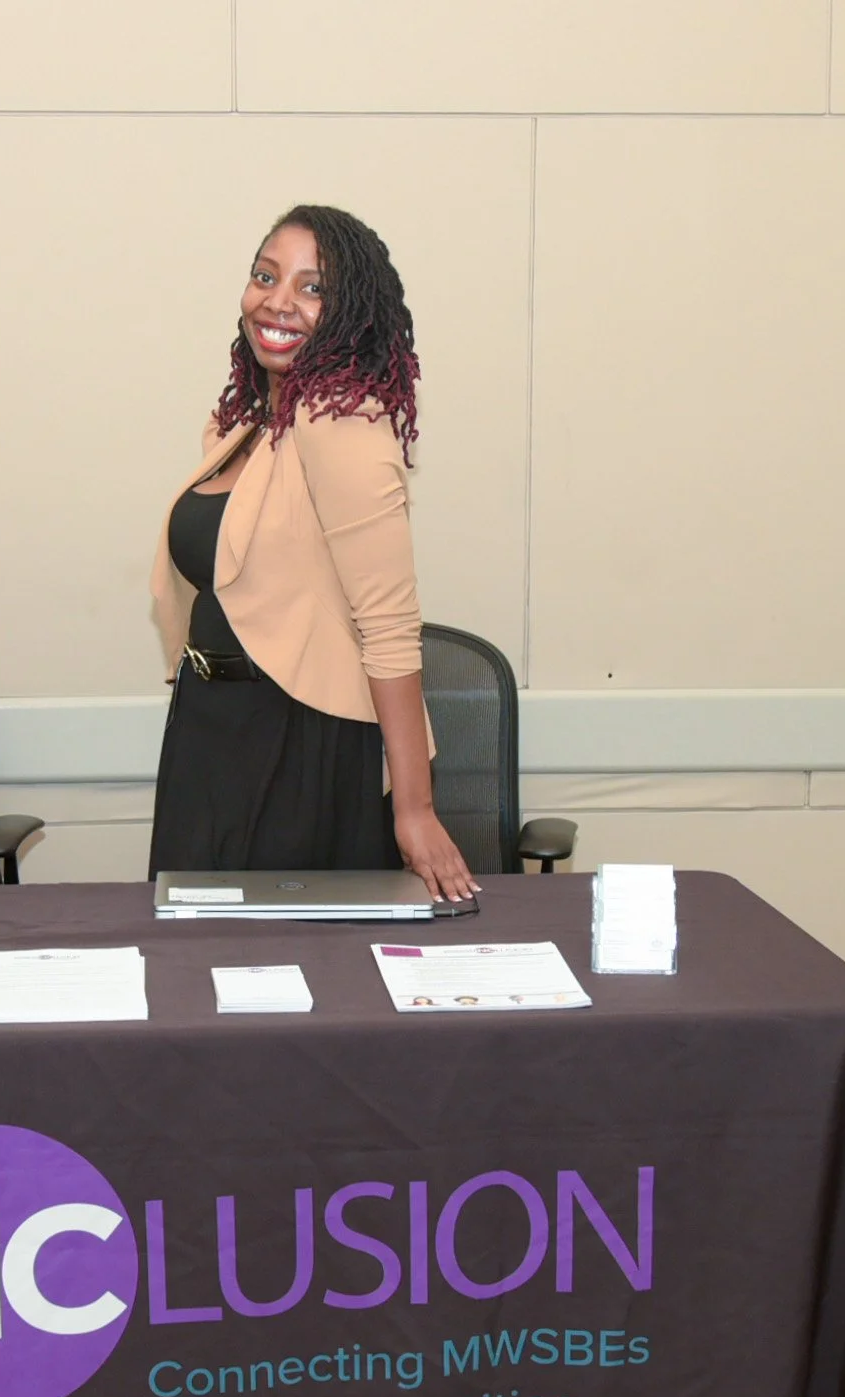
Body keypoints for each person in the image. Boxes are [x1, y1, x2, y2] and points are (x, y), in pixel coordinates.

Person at [148, 204, 475, 903]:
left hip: (299, 747)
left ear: (349, 309)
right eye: (265, 276)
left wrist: (413, 809)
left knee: (291, 987)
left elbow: (388, 630)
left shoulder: (344, 428)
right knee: (197, 974)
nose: (278, 300)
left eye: (311, 287)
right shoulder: (242, 427)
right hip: (210, 734)